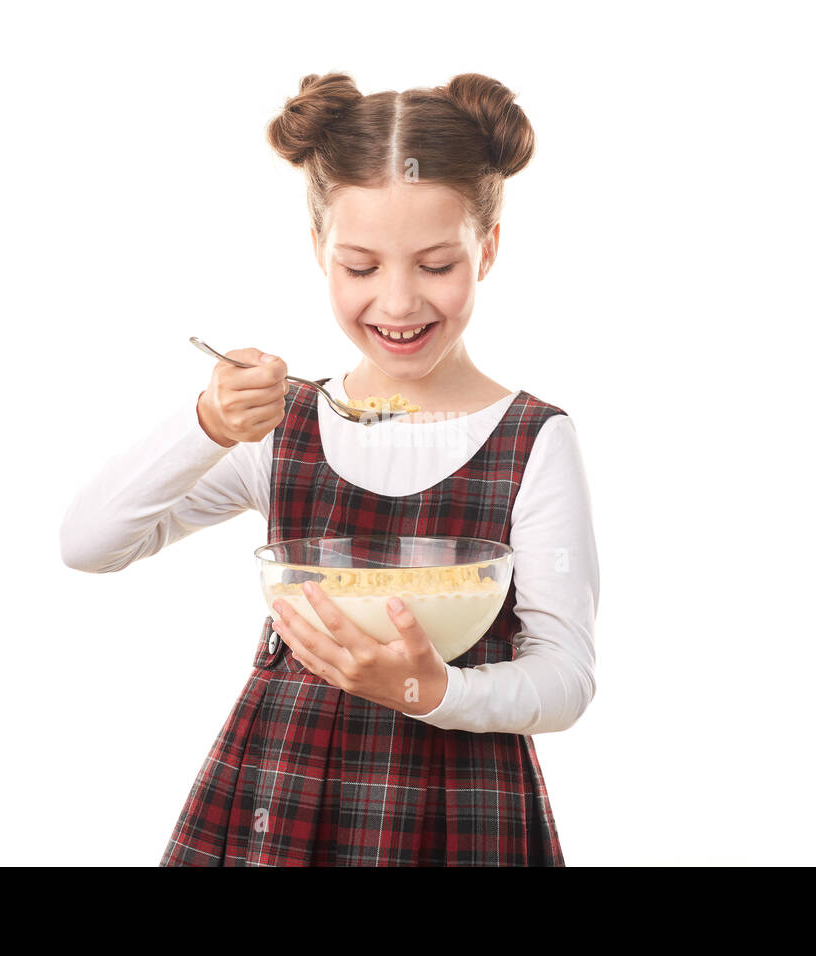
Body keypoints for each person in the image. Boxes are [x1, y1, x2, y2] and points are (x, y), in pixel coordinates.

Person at [59, 72, 599, 866]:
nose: (399, 300)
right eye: (361, 267)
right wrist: (203, 425)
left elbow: (565, 678)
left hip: (457, 811)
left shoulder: (530, 441)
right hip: (280, 794)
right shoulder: (287, 427)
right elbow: (88, 543)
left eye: (436, 264)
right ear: (319, 250)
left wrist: (432, 690)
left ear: (486, 246)